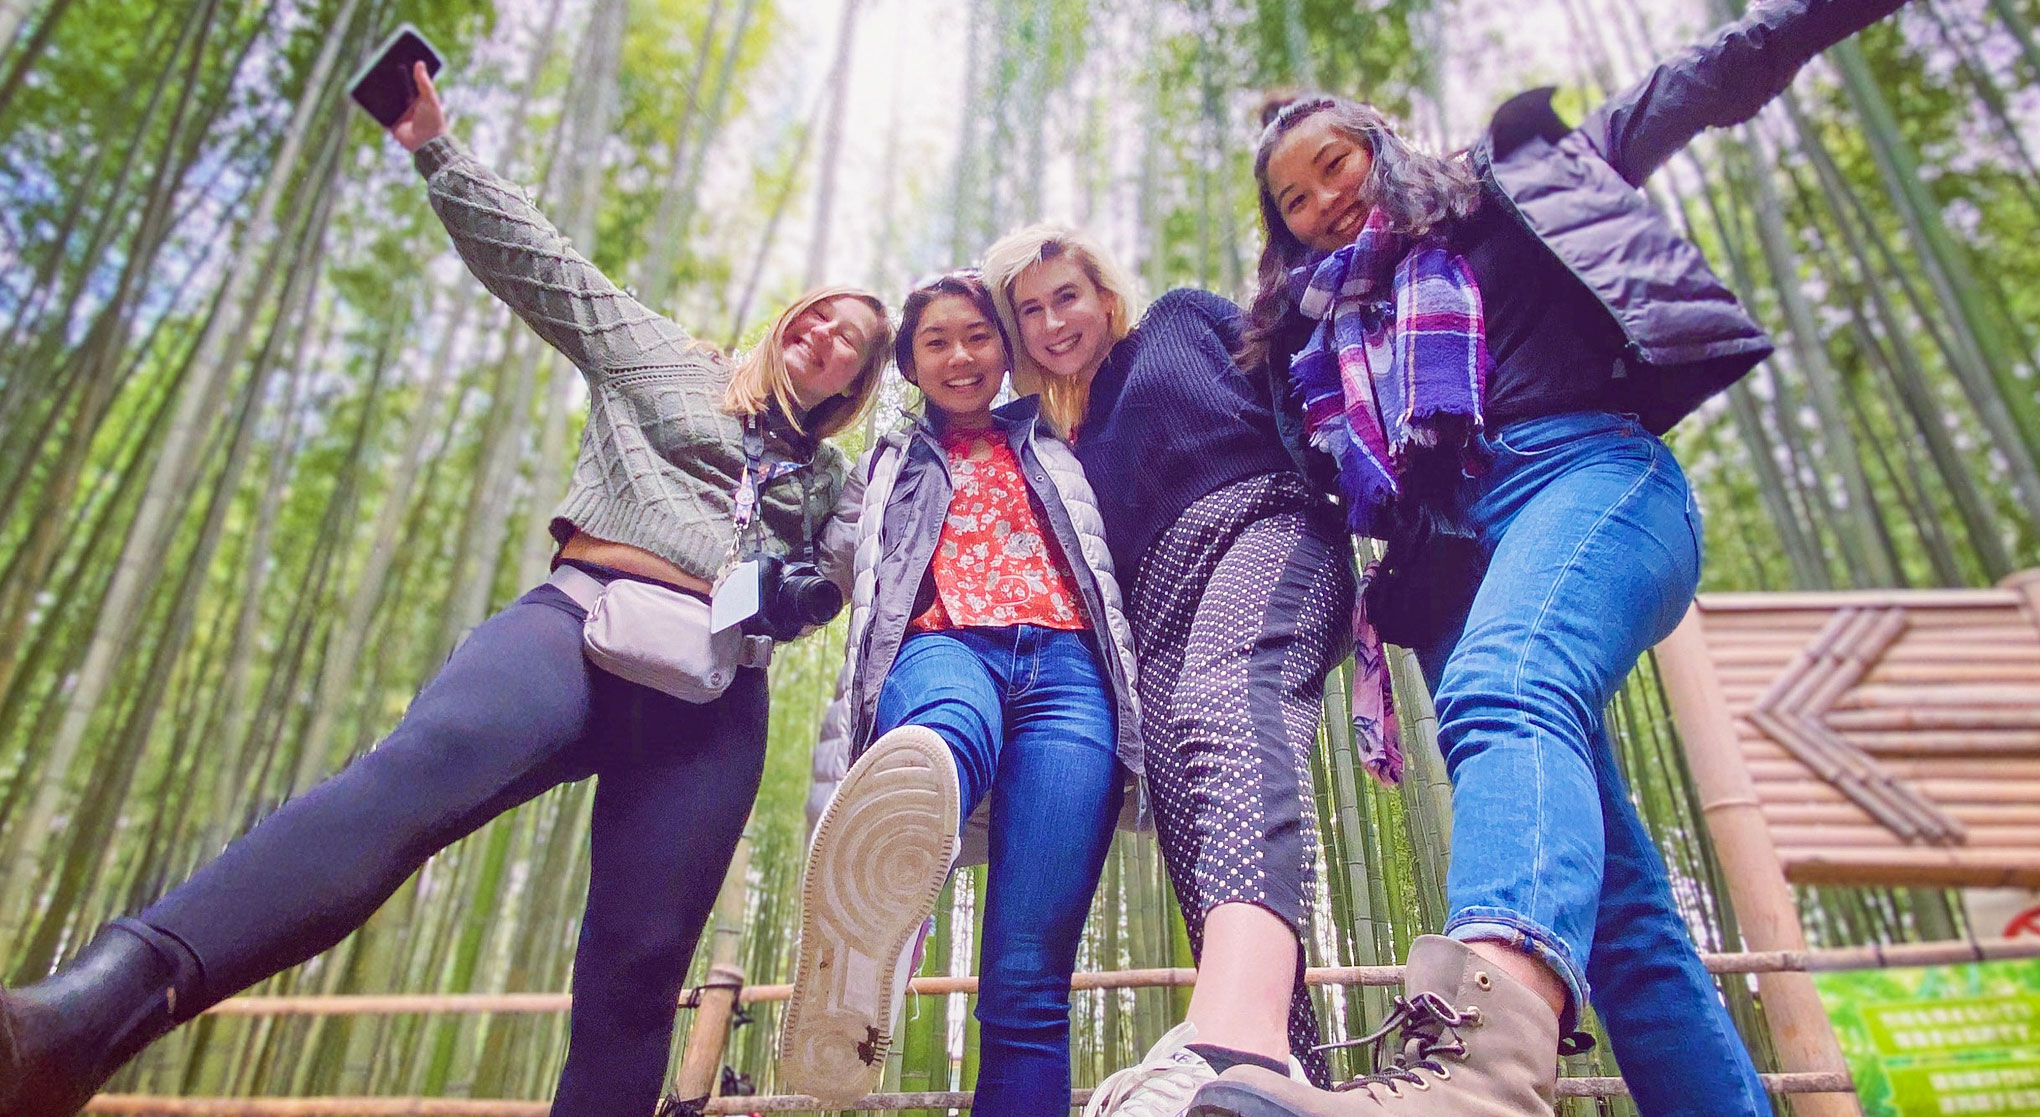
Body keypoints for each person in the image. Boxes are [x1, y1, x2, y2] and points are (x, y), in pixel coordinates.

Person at [0, 64, 891, 1117]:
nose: (830, 334)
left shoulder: (836, 479)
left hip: (713, 698)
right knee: (397, 790)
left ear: (853, 387)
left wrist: (806, 598)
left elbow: (857, 568)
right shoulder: (665, 358)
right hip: (577, 624)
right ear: (789, 323)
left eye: (856, 343)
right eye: (822, 315)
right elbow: (539, 265)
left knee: (637, 974)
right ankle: (80, 1018)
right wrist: (434, 145)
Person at [1189, 1, 1912, 1115]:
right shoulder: (1313, 342)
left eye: (1336, 165)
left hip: (1590, 478)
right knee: (1621, 921)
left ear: (1380, 143)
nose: (1327, 200)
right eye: (1296, 200)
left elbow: (1688, 86)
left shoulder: (1501, 194)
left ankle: (1480, 1061)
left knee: (1505, 682)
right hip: (1457, 568)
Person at [981, 226, 1355, 1115]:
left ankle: (1231, 1044)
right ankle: (1286, 1084)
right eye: (1029, 311)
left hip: (1261, 528)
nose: (1052, 321)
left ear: (1105, 292)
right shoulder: (1048, 441)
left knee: (1223, 712)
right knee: (1194, 837)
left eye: (1065, 295)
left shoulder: (1180, 321)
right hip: (1152, 624)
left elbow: (1301, 374)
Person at [782, 270, 1141, 1113]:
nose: (961, 355)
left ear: (1005, 349)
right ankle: (886, 883)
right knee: (941, 731)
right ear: (909, 365)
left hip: (1071, 676)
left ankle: (896, 881)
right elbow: (820, 553)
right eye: (935, 341)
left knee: (1028, 980)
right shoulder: (886, 461)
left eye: (978, 336)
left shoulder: (1062, 432)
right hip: (943, 642)